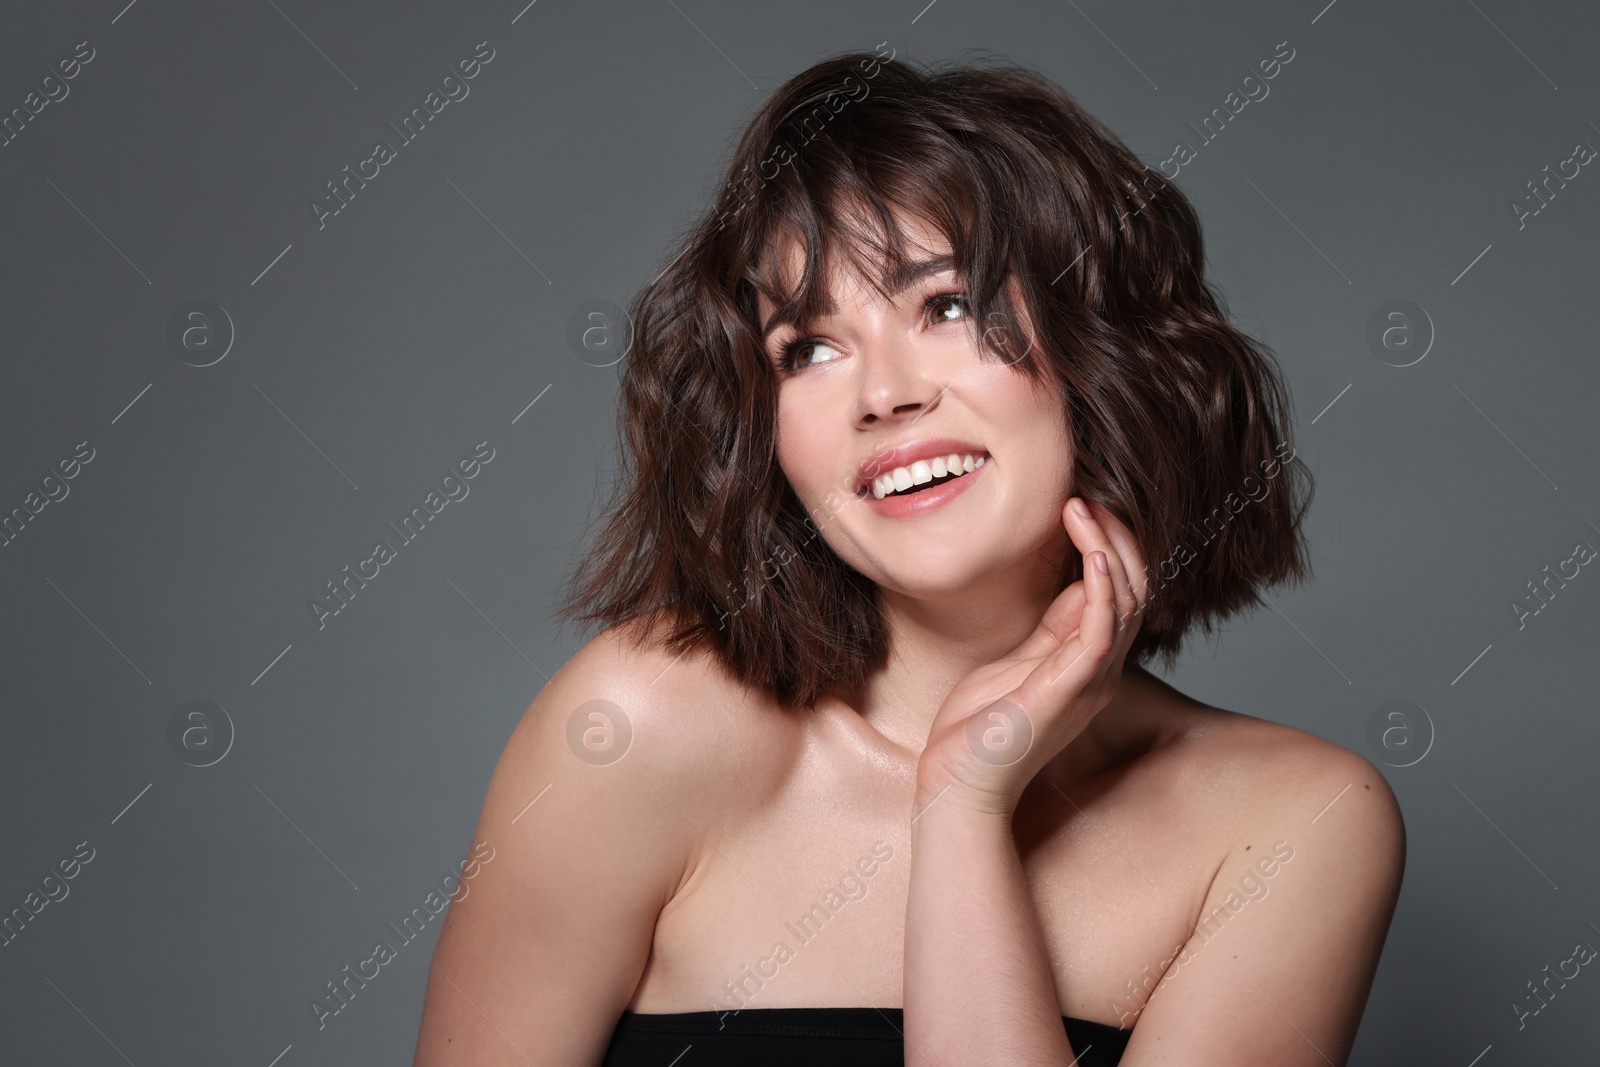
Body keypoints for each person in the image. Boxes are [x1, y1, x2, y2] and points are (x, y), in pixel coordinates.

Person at [411, 47, 1404, 1067]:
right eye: (810, 347)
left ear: (1102, 350)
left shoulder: (1293, 827)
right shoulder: (633, 730)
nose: (883, 392)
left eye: (947, 305)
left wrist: (965, 804)